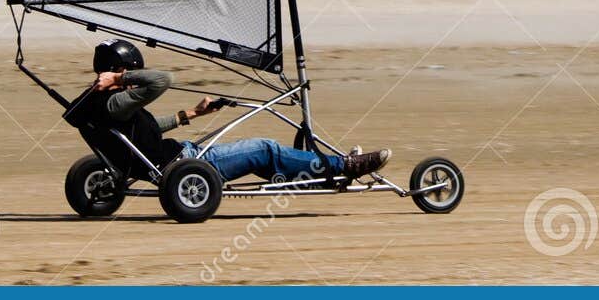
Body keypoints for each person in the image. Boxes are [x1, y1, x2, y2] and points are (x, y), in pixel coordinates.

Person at [90, 39, 390, 182]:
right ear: (118, 71)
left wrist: (192, 114)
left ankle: (324, 171)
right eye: (132, 73)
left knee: (265, 163)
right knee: (264, 148)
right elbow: (163, 80)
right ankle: (344, 166)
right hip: (186, 164)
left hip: (177, 157)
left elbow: (146, 131)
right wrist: (121, 79)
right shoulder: (116, 100)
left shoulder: (101, 104)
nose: (135, 79)